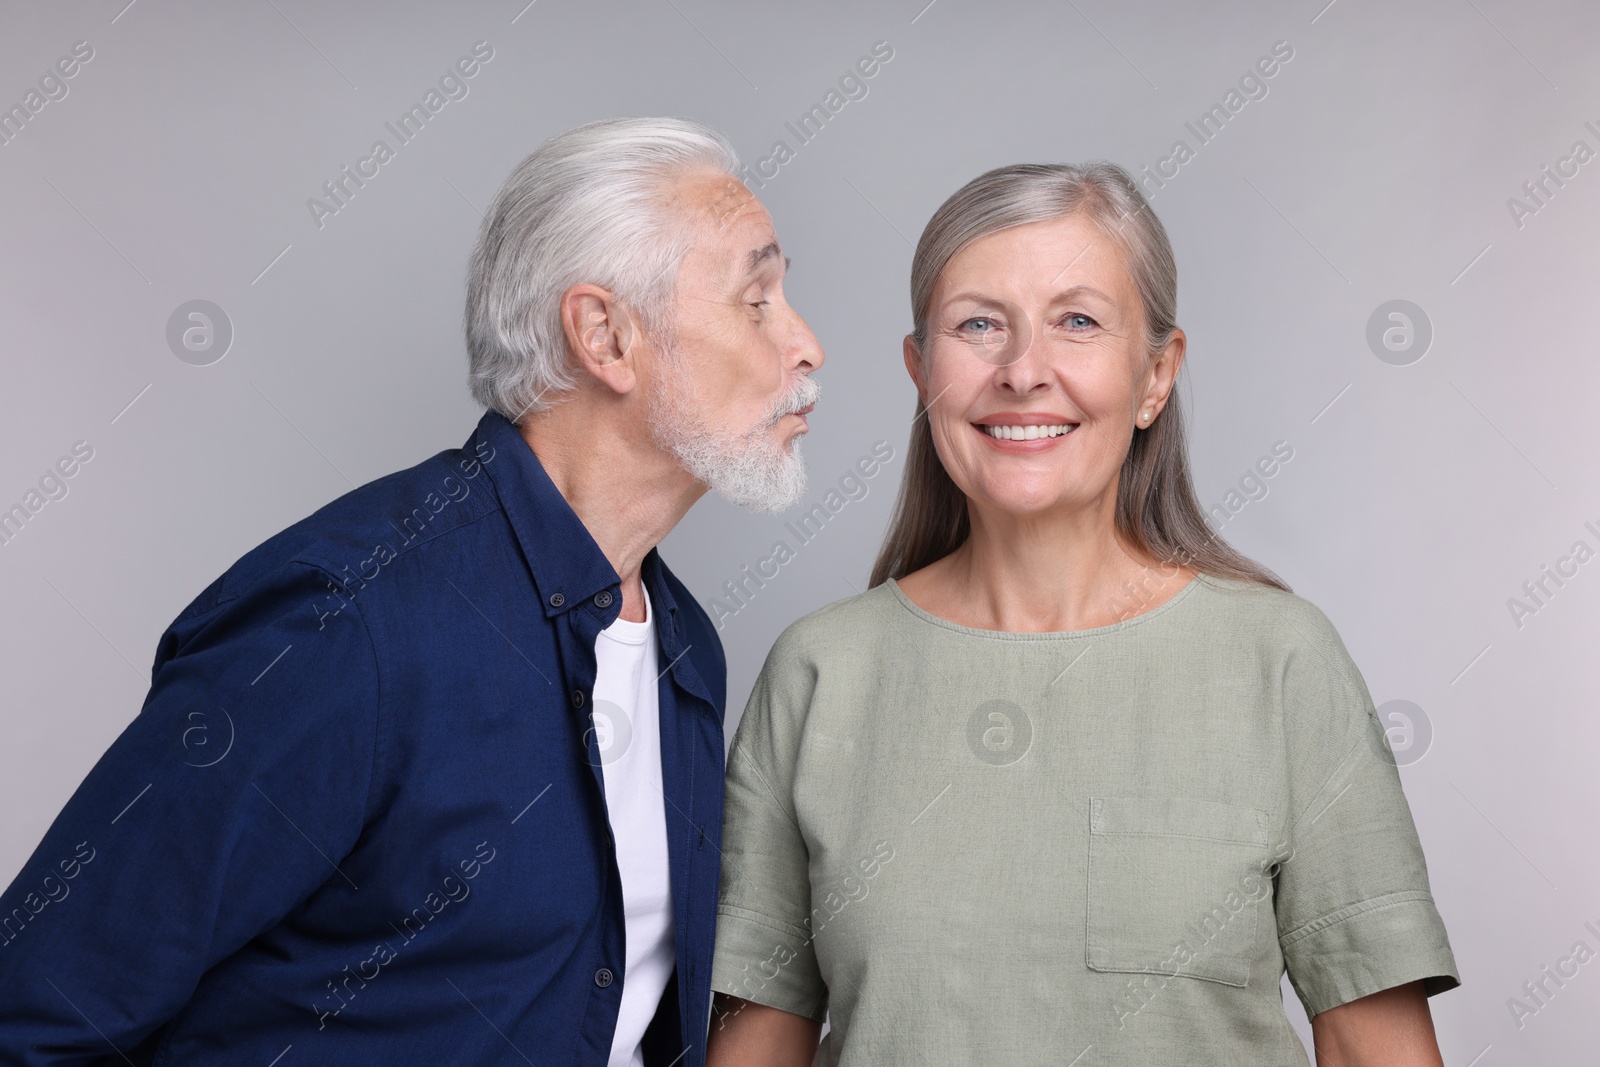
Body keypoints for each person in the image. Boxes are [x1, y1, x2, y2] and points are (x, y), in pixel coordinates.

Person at [0, 117, 823, 1067]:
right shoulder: (345, 623)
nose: (806, 346)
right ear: (605, 336)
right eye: (756, 299)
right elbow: (37, 1013)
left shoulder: (685, 647)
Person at [705, 162, 1458, 1066]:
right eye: (978, 324)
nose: (1024, 371)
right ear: (920, 371)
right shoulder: (819, 673)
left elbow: (1378, 1050)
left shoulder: (1281, 661)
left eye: (1078, 321)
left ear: (1156, 375)